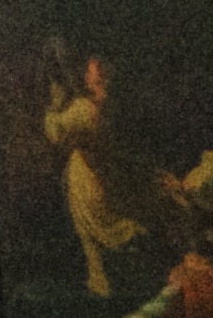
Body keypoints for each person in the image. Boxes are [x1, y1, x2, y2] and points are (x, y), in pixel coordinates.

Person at [42, 52, 149, 298]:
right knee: (95, 233)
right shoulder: (106, 105)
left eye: (93, 72)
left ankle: (103, 285)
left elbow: (56, 132)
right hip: (101, 173)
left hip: (88, 179)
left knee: (92, 233)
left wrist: (54, 105)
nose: (88, 75)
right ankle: (104, 282)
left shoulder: (85, 109)